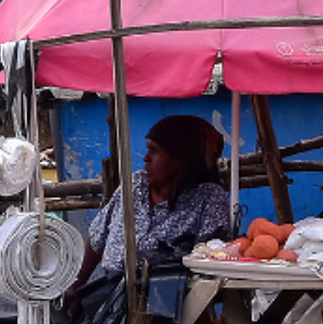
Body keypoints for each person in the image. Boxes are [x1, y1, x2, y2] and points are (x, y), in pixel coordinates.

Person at [73, 114, 230, 292]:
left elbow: (211, 261)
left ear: (180, 159)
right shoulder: (135, 185)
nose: (146, 158)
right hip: (110, 298)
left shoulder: (207, 198)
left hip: (167, 306)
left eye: (154, 151)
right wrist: (76, 286)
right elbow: (97, 239)